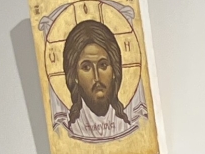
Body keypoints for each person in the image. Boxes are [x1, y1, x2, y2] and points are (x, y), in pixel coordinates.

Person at [57, 16, 145, 144]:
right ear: (74, 75)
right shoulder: (69, 129)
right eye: (86, 67)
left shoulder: (128, 124)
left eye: (103, 65)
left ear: (114, 70)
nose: (97, 77)